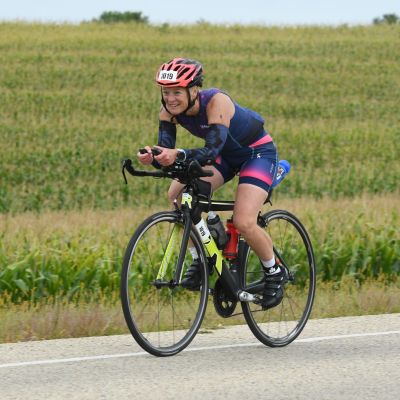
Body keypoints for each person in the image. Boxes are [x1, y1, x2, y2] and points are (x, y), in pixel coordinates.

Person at [138, 57, 286, 309]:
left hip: (256, 154)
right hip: (224, 158)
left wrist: (177, 154)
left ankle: (274, 271)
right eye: (166, 92)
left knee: (243, 220)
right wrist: (155, 157)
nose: (171, 98)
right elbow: (168, 152)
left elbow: (210, 150)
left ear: (194, 90)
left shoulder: (217, 102)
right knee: (176, 195)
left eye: (177, 92)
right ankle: (203, 255)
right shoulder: (167, 112)